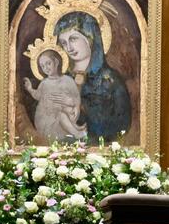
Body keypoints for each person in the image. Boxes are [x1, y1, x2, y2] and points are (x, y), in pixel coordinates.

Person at [54, 11, 131, 144]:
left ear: (90, 38)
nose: (69, 48)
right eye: (63, 42)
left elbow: (121, 123)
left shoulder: (110, 80)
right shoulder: (61, 78)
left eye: (73, 39)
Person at [22, 49, 87, 142]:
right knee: (61, 114)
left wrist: (71, 102)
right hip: (46, 119)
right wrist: (30, 89)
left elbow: (76, 98)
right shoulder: (44, 83)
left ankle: (75, 128)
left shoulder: (68, 80)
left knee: (67, 110)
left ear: (56, 62)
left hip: (62, 114)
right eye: (42, 66)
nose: (46, 68)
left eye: (48, 63)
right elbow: (37, 96)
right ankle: (76, 133)